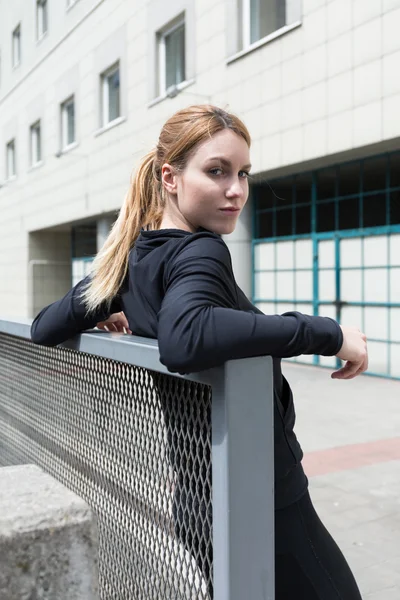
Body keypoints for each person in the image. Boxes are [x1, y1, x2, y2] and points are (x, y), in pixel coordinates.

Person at [31, 105, 367, 599]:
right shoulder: (200, 250)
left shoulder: (132, 260)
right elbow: (186, 336)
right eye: (217, 172)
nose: (236, 190)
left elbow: (45, 326)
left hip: (196, 495)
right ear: (170, 177)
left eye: (243, 174)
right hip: (262, 496)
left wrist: (103, 307)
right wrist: (326, 333)